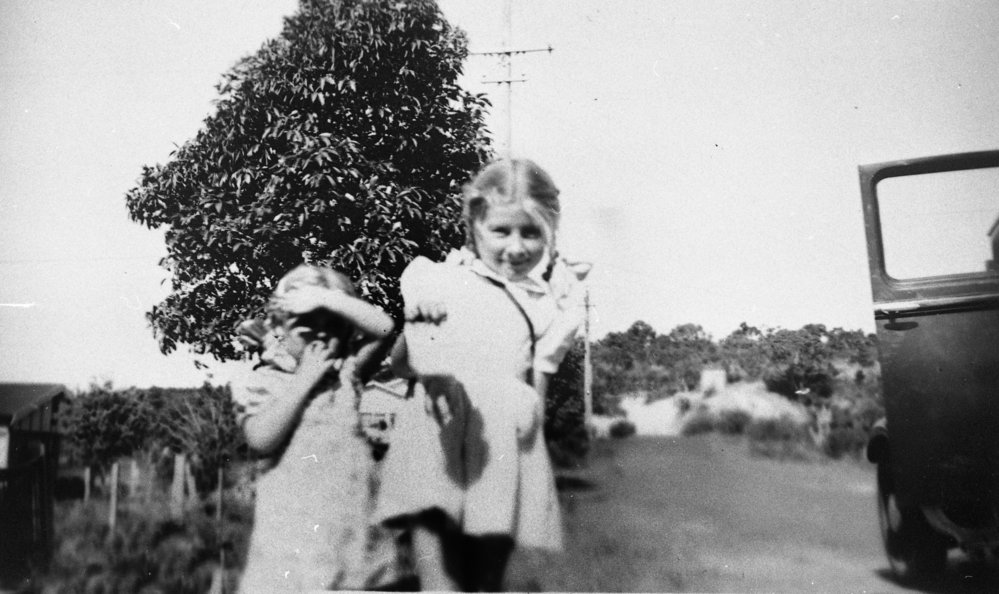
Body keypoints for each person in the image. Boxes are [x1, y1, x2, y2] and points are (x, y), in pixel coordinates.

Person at [375, 158, 589, 591]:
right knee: (441, 583)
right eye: (501, 231)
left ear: (549, 232)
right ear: (475, 223)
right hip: (440, 429)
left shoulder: (547, 303)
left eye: (531, 233)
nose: (516, 247)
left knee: (487, 581)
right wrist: (418, 324)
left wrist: (533, 432)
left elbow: (539, 377)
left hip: (503, 442)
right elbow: (402, 364)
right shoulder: (442, 280)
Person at [232, 264, 395, 592]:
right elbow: (261, 439)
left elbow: (385, 328)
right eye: (306, 323)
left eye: (332, 323)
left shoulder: (347, 374)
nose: (320, 333)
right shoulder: (263, 381)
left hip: (351, 532)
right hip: (291, 541)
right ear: (278, 326)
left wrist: (325, 298)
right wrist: (305, 377)